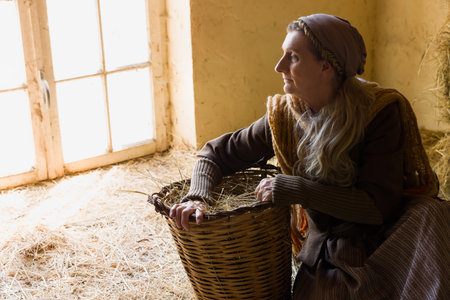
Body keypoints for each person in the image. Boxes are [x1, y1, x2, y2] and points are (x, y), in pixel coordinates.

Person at [169, 13, 450, 299]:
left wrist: (297, 189)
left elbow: (377, 208)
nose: (279, 66)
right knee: (336, 290)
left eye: (292, 57)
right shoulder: (283, 117)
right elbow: (215, 153)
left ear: (326, 66)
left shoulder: (378, 112)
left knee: (435, 215)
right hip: (333, 244)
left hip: (386, 234)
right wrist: (197, 196)